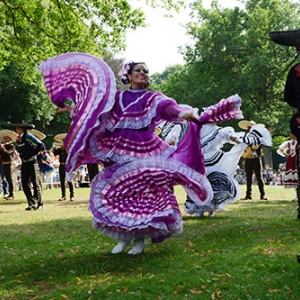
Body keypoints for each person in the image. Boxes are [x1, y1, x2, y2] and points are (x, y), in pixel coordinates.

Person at [39, 53, 243, 255]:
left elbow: (168, 108)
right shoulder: (116, 97)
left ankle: (139, 240)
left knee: (142, 193)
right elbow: (95, 111)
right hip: (117, 147)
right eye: (139, 70)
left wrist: (183, 113)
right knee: (117, 193)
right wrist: (71, 109)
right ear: (128, 74)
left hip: (145, 147)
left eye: (146, 71)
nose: (143, 73)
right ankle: (122, 237)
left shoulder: (153, 98)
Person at [7, 120, 45, 210]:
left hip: (32, 162)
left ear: (22, 128)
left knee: (35, 183)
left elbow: (40, 145)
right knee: (24, 183)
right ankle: (31, 203)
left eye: (17, 128)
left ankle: (40, 203)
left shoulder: (28, 136)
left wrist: (34, 154)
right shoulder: (19, 138)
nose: (16, 129)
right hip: (24, 163)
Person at [239, 120, 268, 200]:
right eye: (248, 128)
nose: (249, 129)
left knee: (259, 177)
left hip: (256, 159)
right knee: (248, 178)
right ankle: (248, 195)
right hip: (248, 159)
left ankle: (262, 195)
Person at [50, 133, 75, 201]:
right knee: (62, 181)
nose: (64, 142)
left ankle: (72, 195)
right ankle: (63, 195)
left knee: (69, 180)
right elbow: (53, 153)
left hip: (68, 165)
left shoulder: (70, 148)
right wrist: (54, 146)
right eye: (63, 141)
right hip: (61, 165)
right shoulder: (60, 149)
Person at [277, 135, 298, 200]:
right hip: (291, 161)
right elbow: (280, 149)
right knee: (295, 179)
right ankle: (297, 195)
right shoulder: (289, 142)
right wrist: (285, 154)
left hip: (297, 160)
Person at [0, 130, 17, 200]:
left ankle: (11, 194)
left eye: (7, 138)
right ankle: (9, 193)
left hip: (10, 163)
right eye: (5, 138)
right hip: (4, 164)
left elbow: (8, 153)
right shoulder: (3, 146)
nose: (6, 139)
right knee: (6, 178)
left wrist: (3, 148)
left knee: (10, 179)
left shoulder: (11, 146)